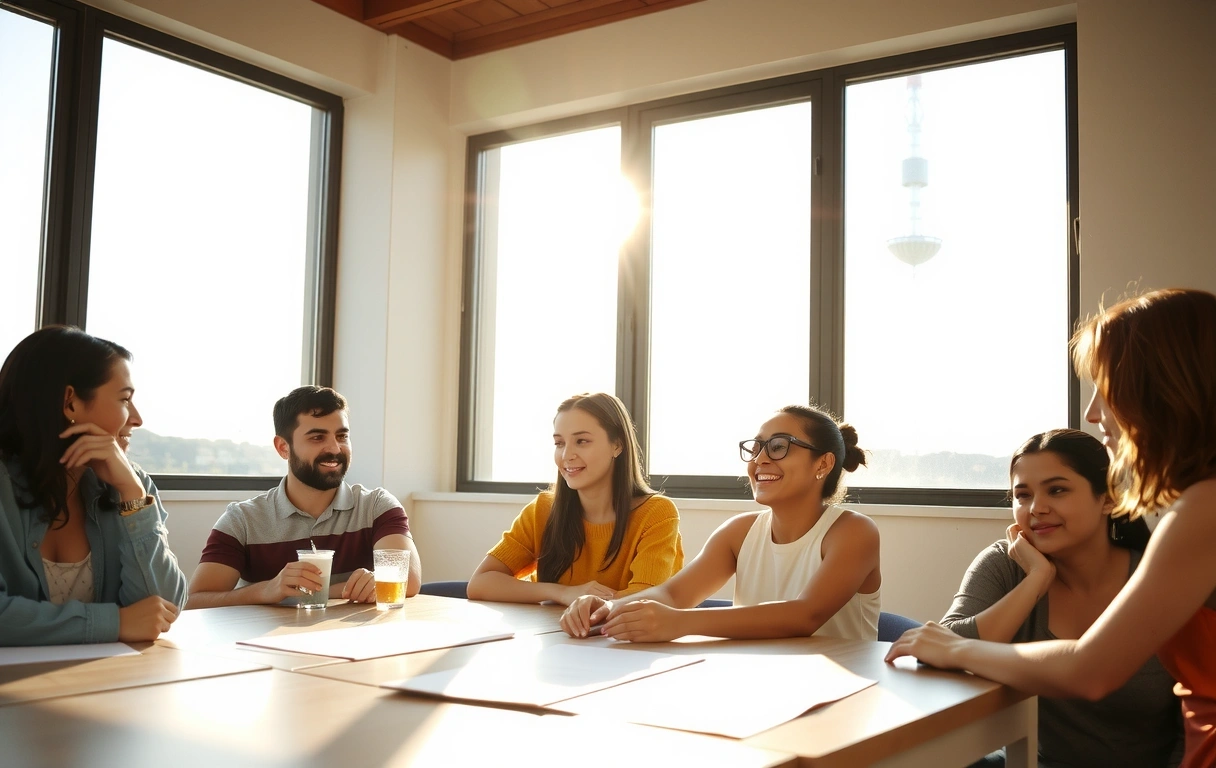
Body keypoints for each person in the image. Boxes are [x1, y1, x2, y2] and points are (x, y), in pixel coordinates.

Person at [886, 288, 1216, 768]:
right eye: (1023, 495)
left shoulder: (1201, 510)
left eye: (1108, 386)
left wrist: (959, 648)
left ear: (1166, 388)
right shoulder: (1007, 561)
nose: (1093, 412)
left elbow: (1090, 670)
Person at [941, 429, 1182, 767]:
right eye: (1022, 495)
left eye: (1057, 490)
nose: (1036, 508)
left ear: (1109, 498)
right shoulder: (1007, 564)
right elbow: (944, 648)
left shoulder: (1159, 578)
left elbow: (1196, 720)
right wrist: (1035, 581)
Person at [561, 404, 881, 642]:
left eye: (779, 447)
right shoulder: (738, 533)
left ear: (823, 463)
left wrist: (681, 623)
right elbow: (673, 596)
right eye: (756, 448)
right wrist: (605, 609)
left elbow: (805, 615)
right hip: (763, 682)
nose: (760, 459)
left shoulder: (853, 532)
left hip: (842, 690)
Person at [0, 327, 187, 645]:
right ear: (70, 403)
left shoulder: (132, 483)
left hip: (98, 681)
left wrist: (132, 495)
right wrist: (112, 623)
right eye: (125, 399)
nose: (137, 418)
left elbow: (162, 608)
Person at [187, 386, 420, 608]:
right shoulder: (243, 520)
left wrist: (324, 592)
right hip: (267, 646)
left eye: (341, 436)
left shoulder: (377, 506)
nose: (335, 449)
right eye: (317, 438)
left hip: (354, 645)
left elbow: (408, 581)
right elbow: (194, 601)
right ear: (283, 447)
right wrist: (268, 590)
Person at [466, 392, 683, 605]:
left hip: (620, 639)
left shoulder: (656, 513)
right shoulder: (543, 509)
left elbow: (645, 599)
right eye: (559, 443)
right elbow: (480, 583)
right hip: (553, 636)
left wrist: (586, 604)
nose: (566, 455)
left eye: (582, 441)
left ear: (617, 445)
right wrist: (562, 593)